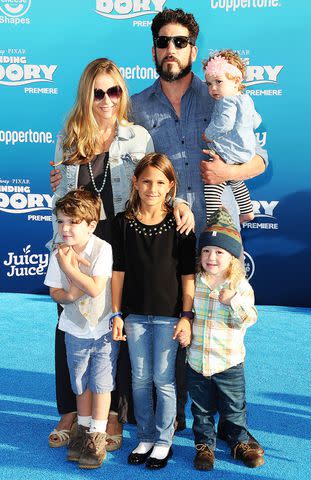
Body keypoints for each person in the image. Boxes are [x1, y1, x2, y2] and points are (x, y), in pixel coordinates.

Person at [130, 7, 267, 448]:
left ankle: (232, 422)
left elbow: (261, 159)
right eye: (163, 42)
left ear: (193, 48)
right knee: (177, 319)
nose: (171, 50)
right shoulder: (136, 105)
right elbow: (124, 168)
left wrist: (227, 173)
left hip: (220, 229)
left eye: (179, 42)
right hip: (166, 235)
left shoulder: (220, 94)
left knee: (224, 322)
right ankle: (180, 419)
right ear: (153, 49)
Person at [47, 57, 194, 450]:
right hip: (78, 243)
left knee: (119, 325)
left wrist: (179, 204)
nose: (107, 99)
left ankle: (112, 412)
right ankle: (70, 409)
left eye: (114, 91)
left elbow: (154, 184)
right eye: (99, 92)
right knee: (71, 323)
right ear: (86, 94)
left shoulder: (138, 137)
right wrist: (58, 201)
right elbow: (62, 203)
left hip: (122, 242)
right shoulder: (68, 137)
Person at [111, 153, 196, 469]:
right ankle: (144, 437)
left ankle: (164, 441)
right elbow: (118, 271)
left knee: (164, 380)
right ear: (135, 182)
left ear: (171, 186)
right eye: (146, 181)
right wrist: (116, 313)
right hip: (134, 316)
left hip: (170, 317)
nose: (152, 188)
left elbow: (188, 275)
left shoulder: (180, 224)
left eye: (160, 182)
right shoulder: (123, 223)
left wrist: (186, 317)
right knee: (139, 380)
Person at [44, 189, 119, 469]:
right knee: (80, 382)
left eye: (73, 222)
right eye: (61, 221)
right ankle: (84, 429)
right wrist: (70, 294)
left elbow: (97, 287)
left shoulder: (103, 249)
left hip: (101, 331)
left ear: (91, 224)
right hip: (73, 329)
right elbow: (55, 291)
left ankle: (97, 436)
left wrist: (69, 268)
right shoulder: (58, 253)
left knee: (100, 384)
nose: (65, 228)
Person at [186, 207, 265, 470]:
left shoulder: (239, 287)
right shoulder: (194, 282)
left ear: (232, 257)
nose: (212, 257)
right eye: (207, 251)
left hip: (229, 362)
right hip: (197, 361)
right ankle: (204, 446)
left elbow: (250, 318)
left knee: (233, 409)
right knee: (201, 410)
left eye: (220, 252)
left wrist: (233, 302)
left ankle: (238, 442)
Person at [203, 49, 262, 223]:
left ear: (236, 81)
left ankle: (212, 220)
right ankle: (247, 210)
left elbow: (224, 124)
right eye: (209, 83)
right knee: (236, 181)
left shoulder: (226, 101)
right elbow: (257, 121)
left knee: (212, 186)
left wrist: (208, 135)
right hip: (244, 153)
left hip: (227, 152)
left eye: (218, 82)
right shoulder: (246, 99)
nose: (213, 88)